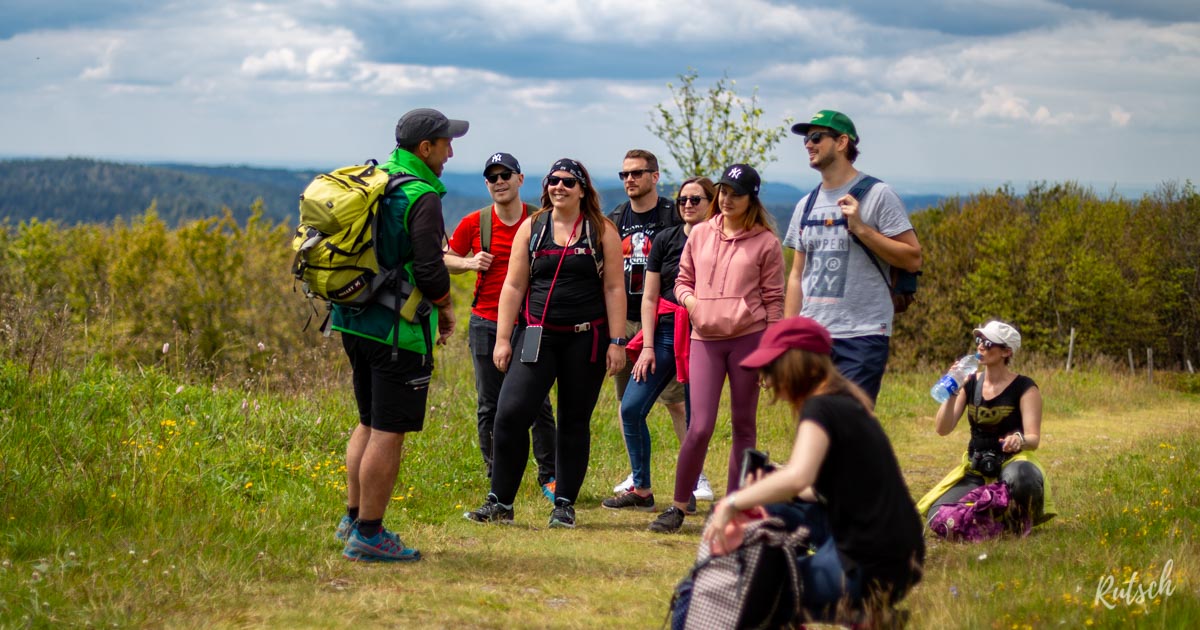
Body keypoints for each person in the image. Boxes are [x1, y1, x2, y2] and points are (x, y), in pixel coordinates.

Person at [704, 316, 925, 624]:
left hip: (869, 564)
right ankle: (864, 614)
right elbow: (819, 488)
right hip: (900, 555)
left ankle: (862, 612)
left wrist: (733, 502)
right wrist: (765, 487)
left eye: (771, 367)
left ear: (795, 364)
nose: (766, 380)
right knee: (773, 505)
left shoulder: (820, 407)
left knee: (765, 590)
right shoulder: (847, 401)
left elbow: (799, 478)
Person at [332, 108, 466, 562]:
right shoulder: (421, 194)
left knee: (368, 420)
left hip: (353, 318)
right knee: (389, 430)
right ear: (424, 148)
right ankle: (369, 534)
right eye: (446, 142)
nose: (451, 150)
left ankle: (352, 518)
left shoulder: (376, 177)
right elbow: (429, 268)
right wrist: (446, 310)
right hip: (398, 331)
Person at [464, 158, 626, 529]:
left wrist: (617, 342)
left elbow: (614, 288)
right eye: (553, 181)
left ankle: (564, 504)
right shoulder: (532, 228)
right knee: (509, 414)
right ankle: (500, 502)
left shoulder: (601, 230)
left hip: (586, 338)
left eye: (569, 182)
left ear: (583, 189)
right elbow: (514, 285)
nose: (559, 187)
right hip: (536, 335)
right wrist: (503, 339)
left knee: (573, 421)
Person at [650, 164, 785, 534]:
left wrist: (772, 356)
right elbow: (682, 281)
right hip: (704, 340)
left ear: (751, 198)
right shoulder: (701, 234)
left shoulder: (766, 243)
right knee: (700, 426)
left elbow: (775, 302)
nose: (726, 199)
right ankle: (678, 506)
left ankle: (733, 508)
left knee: (744, 425)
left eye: (735, 193)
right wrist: (692, 303)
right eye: (723, 191)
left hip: (749, 340)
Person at [782, 110, 922, 405]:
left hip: (863, 334)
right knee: (815, 426)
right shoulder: (805, 205)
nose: (808, 144)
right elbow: (797, 275)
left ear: (842, 142)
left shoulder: (878, 195)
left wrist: (861, 228)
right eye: (806, 139)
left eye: (816, 137)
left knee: (847, 423)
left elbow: (912, 258)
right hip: (813, 336)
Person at [445, 152, 557, 503]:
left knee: (538, 403)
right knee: (489, 405)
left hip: (530, 324)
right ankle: (497, 477)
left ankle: (550, 476)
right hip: (486, 322)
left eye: (505, 174)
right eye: (492, 177)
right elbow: (442, 257)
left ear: (520, 180)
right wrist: (467, 262)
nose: (499, 182)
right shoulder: (474, 223)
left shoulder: (539, 221)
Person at [603, 176, 715, 514]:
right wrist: (647, 346)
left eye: (696, 199)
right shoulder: (665, 239)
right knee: (631, 407)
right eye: (683, 200)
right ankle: (642, 488)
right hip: (665, 333)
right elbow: (650, 298)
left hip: (706, 336)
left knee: (697, 420)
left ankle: (688, 491)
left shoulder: (721, 241)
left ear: (712, 203)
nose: (688, 205)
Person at [917, 320, 1056, 531]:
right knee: (937, 516)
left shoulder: (1025, 388)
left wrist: (1018, 440)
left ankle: (1014, 515)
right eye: (979, 340)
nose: (981, 346)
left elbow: (1033, 440)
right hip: (978, 467)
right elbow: (942, 429)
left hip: (1012, 464)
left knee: (1023, 479)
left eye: (989, 343)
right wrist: (953, 390)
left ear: (1006, 352)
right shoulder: (969, 382)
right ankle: (993, 519)